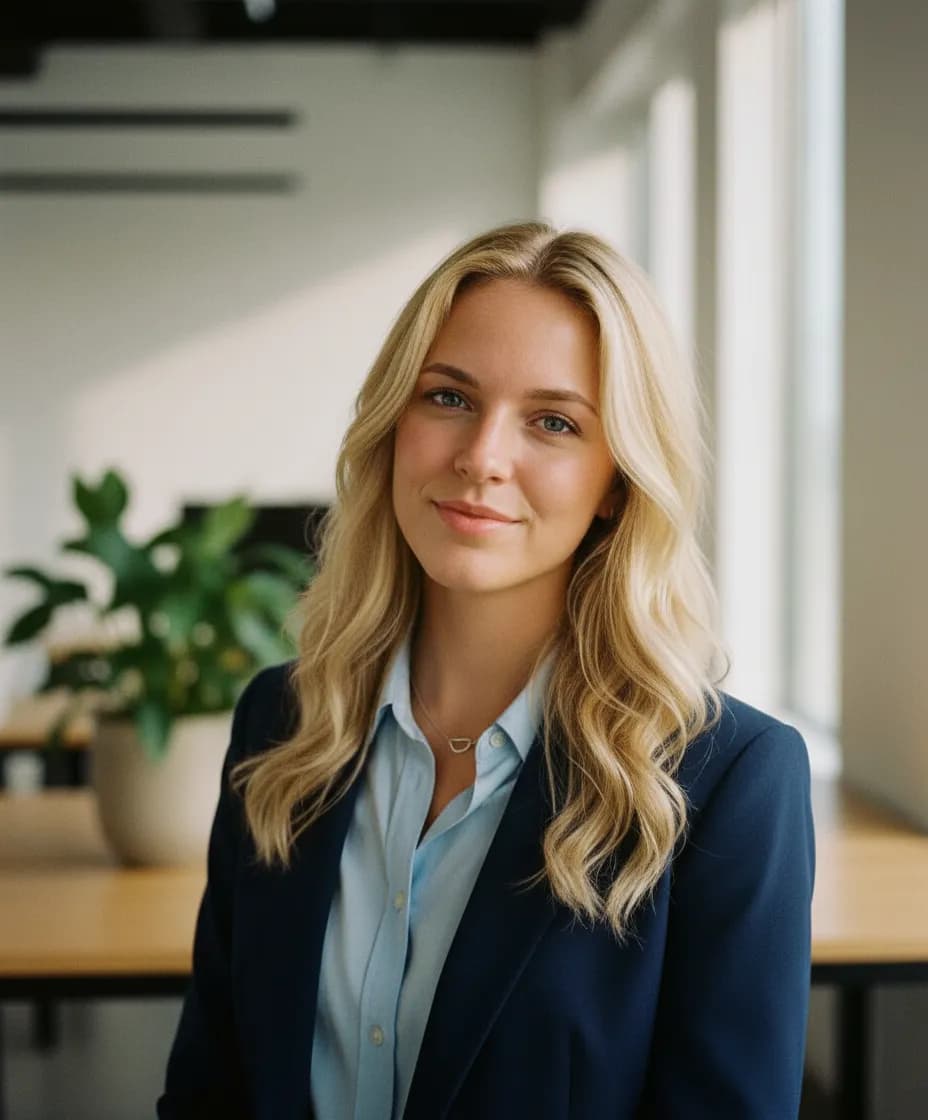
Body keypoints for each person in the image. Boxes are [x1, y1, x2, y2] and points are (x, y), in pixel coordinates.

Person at [157, 222, 815, 1120]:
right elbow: (210, 1090)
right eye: (448, 398)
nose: (482, 457)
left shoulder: (728, 779)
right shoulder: (284, 723)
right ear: (394, 424)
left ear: (616, 481)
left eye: (553, 422)